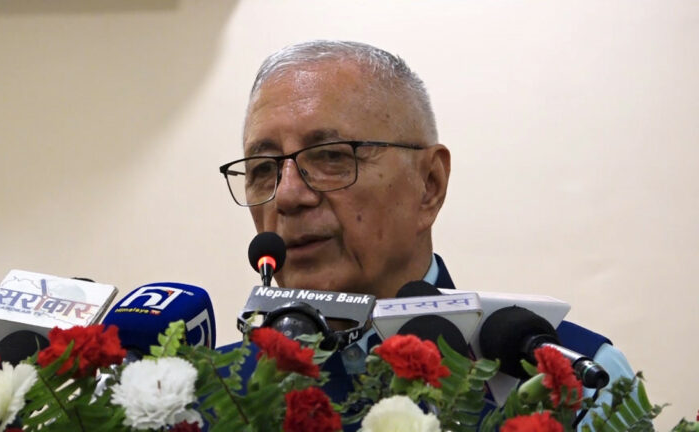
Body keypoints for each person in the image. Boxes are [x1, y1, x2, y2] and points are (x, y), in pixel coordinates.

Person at [218, 40, 635, 429]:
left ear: (429, 185)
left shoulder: (575, 380)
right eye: (263, 169)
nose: (287, 196)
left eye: (330, 157)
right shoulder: (209, 395)